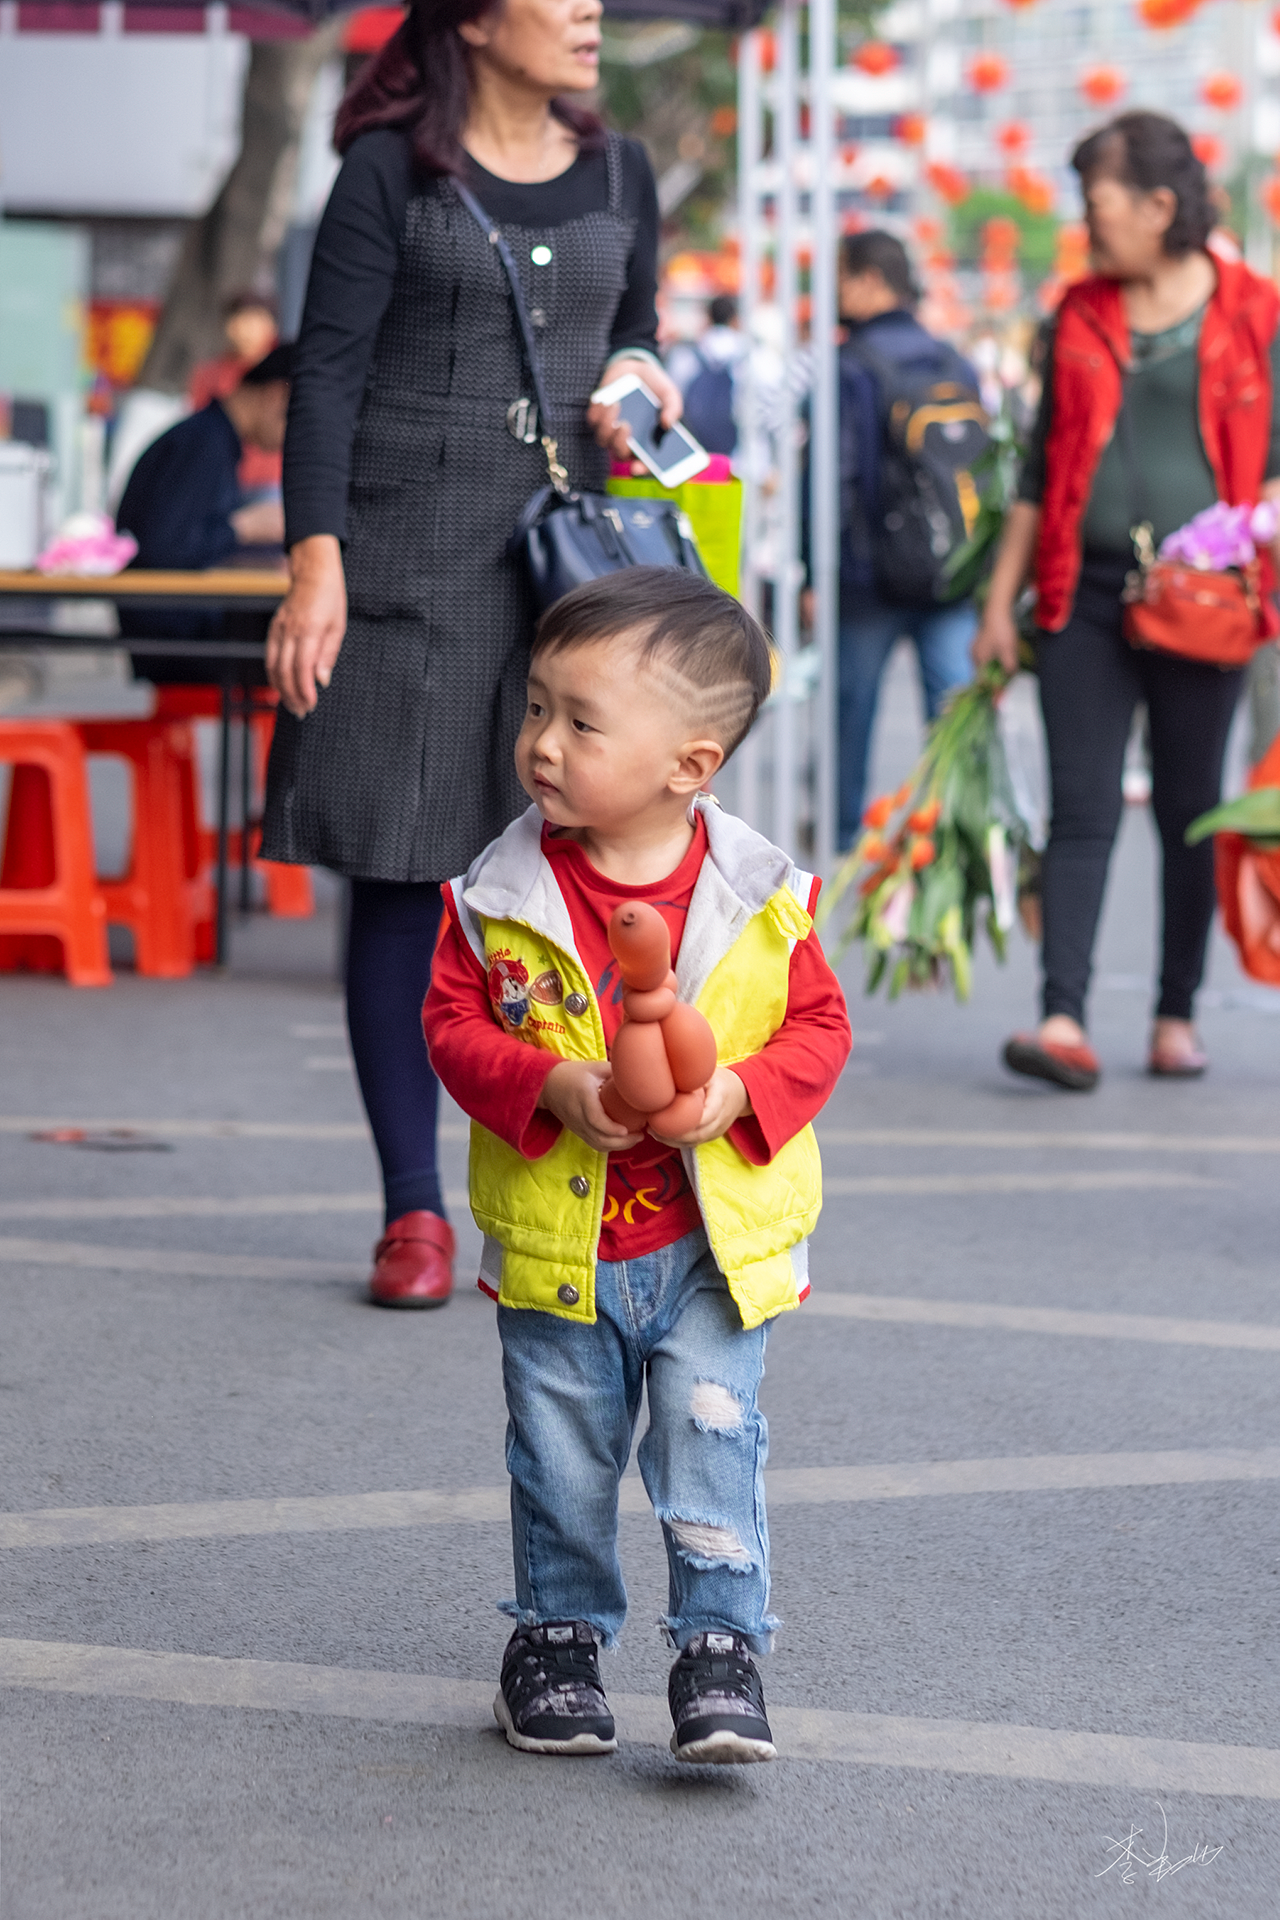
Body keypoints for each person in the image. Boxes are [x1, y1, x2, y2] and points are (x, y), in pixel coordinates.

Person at [258, 0, 682, 1309]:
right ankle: (413, 1214)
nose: (588, 12)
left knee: (576, 884)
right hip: (406, 561)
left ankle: (556, 1197)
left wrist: (635, 371)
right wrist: (314, 560)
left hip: (568, 573)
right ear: (478, 22)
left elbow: (644, 328)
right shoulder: (392, 171)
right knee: (402, 875)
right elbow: (325, 376)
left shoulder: (622, 170)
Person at [423, 568, 852, 1761]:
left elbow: (818, 1032)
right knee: (559, 1453)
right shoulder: (499, 895)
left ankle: (720, 1648)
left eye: (580, 722)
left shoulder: (755, 898)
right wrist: (552, 1087)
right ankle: (555, 1638)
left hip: (710, 1248)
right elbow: (453, 1029)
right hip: (563, 1249)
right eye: (535, 710)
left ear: (690, 767)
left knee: (708, 1438)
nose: (541, 745)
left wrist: (734, 1094)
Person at [974, 111, 1280, 1088]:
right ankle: (1061, 1016)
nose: (1085, 223)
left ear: (1157, 205)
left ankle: (1172, 1014)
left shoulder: (1255, 312)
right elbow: (1035, 468)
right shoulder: (1076, 312)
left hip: (1205, 602)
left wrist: (1233, 534)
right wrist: (997, 604)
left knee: (1189, 805)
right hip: (1083, 595)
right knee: (1081, 805)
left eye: (1094, 203)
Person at [830, 230, 981, 847]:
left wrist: (824, 569)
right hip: (954, 569)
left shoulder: (850, 366)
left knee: (852, 711)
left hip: (871, 575)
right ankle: (949, 830)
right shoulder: (954, 359)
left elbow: (837, 475)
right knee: (950, 710)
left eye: (840, 278)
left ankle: (844, 831)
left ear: (869, 280)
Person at [115, 344, 290, 682]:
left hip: (171, 631)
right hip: (177, 638)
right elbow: (166, 549)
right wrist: (244, 527)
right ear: (276, 396)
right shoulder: (205, 444)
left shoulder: (208, 439)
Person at [189, 292, 282, 494]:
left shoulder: (280, 373)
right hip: (223, 477)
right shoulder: (209, 373)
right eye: (238, 321)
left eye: (254, 322)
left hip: (269, 480)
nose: (245, 331)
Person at [669, 294, 743, 456]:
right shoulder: (746, 354)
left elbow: (674, 394)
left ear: (708, 317)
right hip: (736, 450)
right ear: (735, 319)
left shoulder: (688, 352)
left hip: (696, 446)